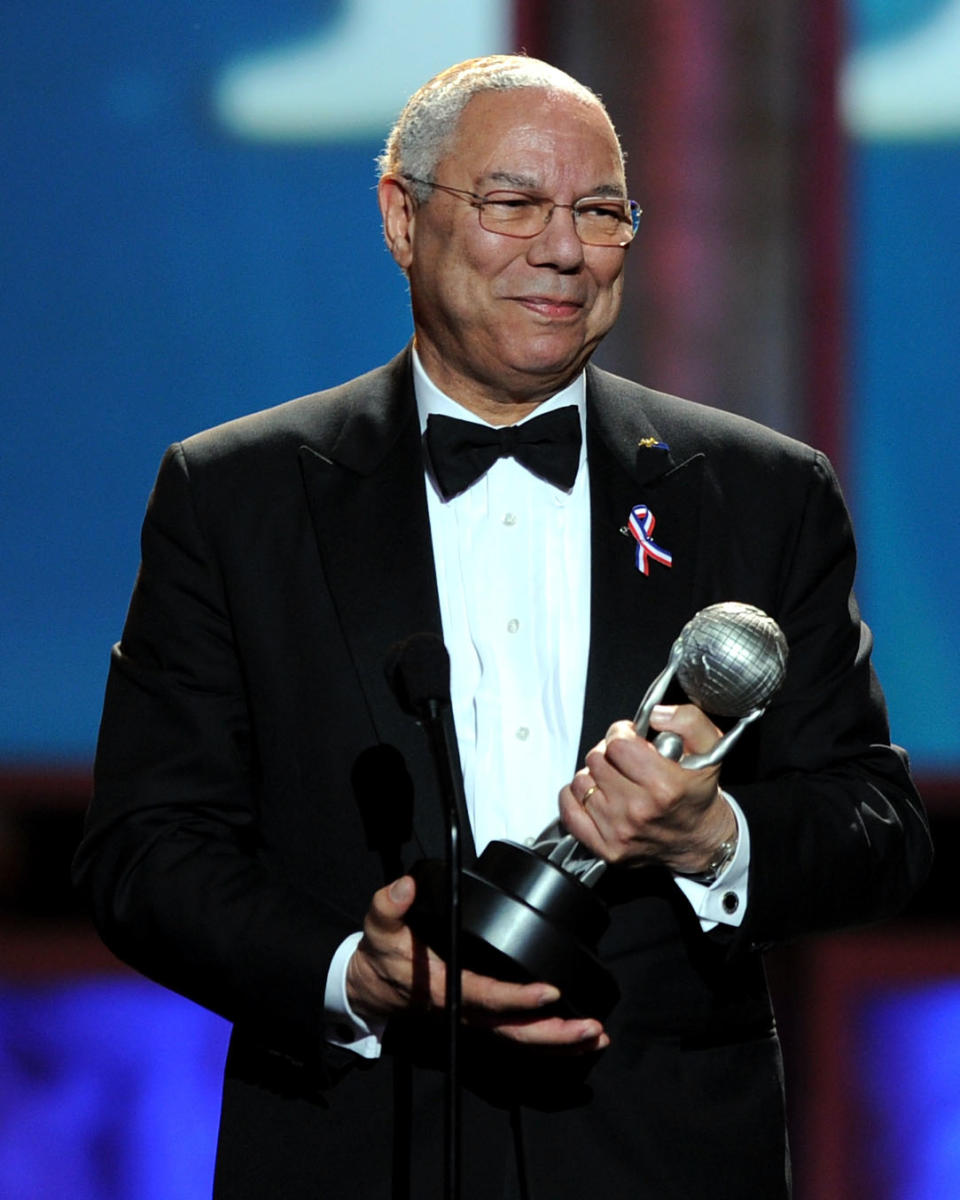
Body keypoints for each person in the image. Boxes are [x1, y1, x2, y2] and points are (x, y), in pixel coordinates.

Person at [74, 54, 931, 1199]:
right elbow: (147, 849)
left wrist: (713, 839)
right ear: (400, 215)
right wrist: (349, 973)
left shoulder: (763, 492)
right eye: (515, 203)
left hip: (664, 1153)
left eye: (601, 212)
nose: (565, 250)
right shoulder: (236, 496)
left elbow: (875, 826)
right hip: (353, 1143)